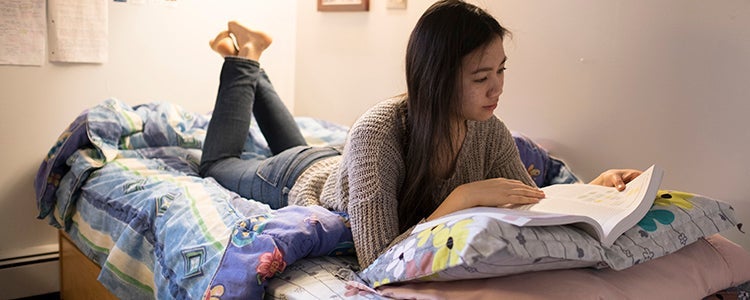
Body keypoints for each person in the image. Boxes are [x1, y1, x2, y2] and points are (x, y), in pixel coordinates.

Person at [199, 0, 642, 269]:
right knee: (216, 165)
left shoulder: (489, 130)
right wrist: (461, 199)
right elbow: (378, 261)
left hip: (341, 160)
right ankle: (244, 62)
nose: (498, 88)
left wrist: (593, 193)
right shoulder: (380, 130)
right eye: (481, 76)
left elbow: (529, 200)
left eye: (502, 70)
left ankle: (251, 53)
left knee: (301, 143)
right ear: (437, 78)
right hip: (298, 177)